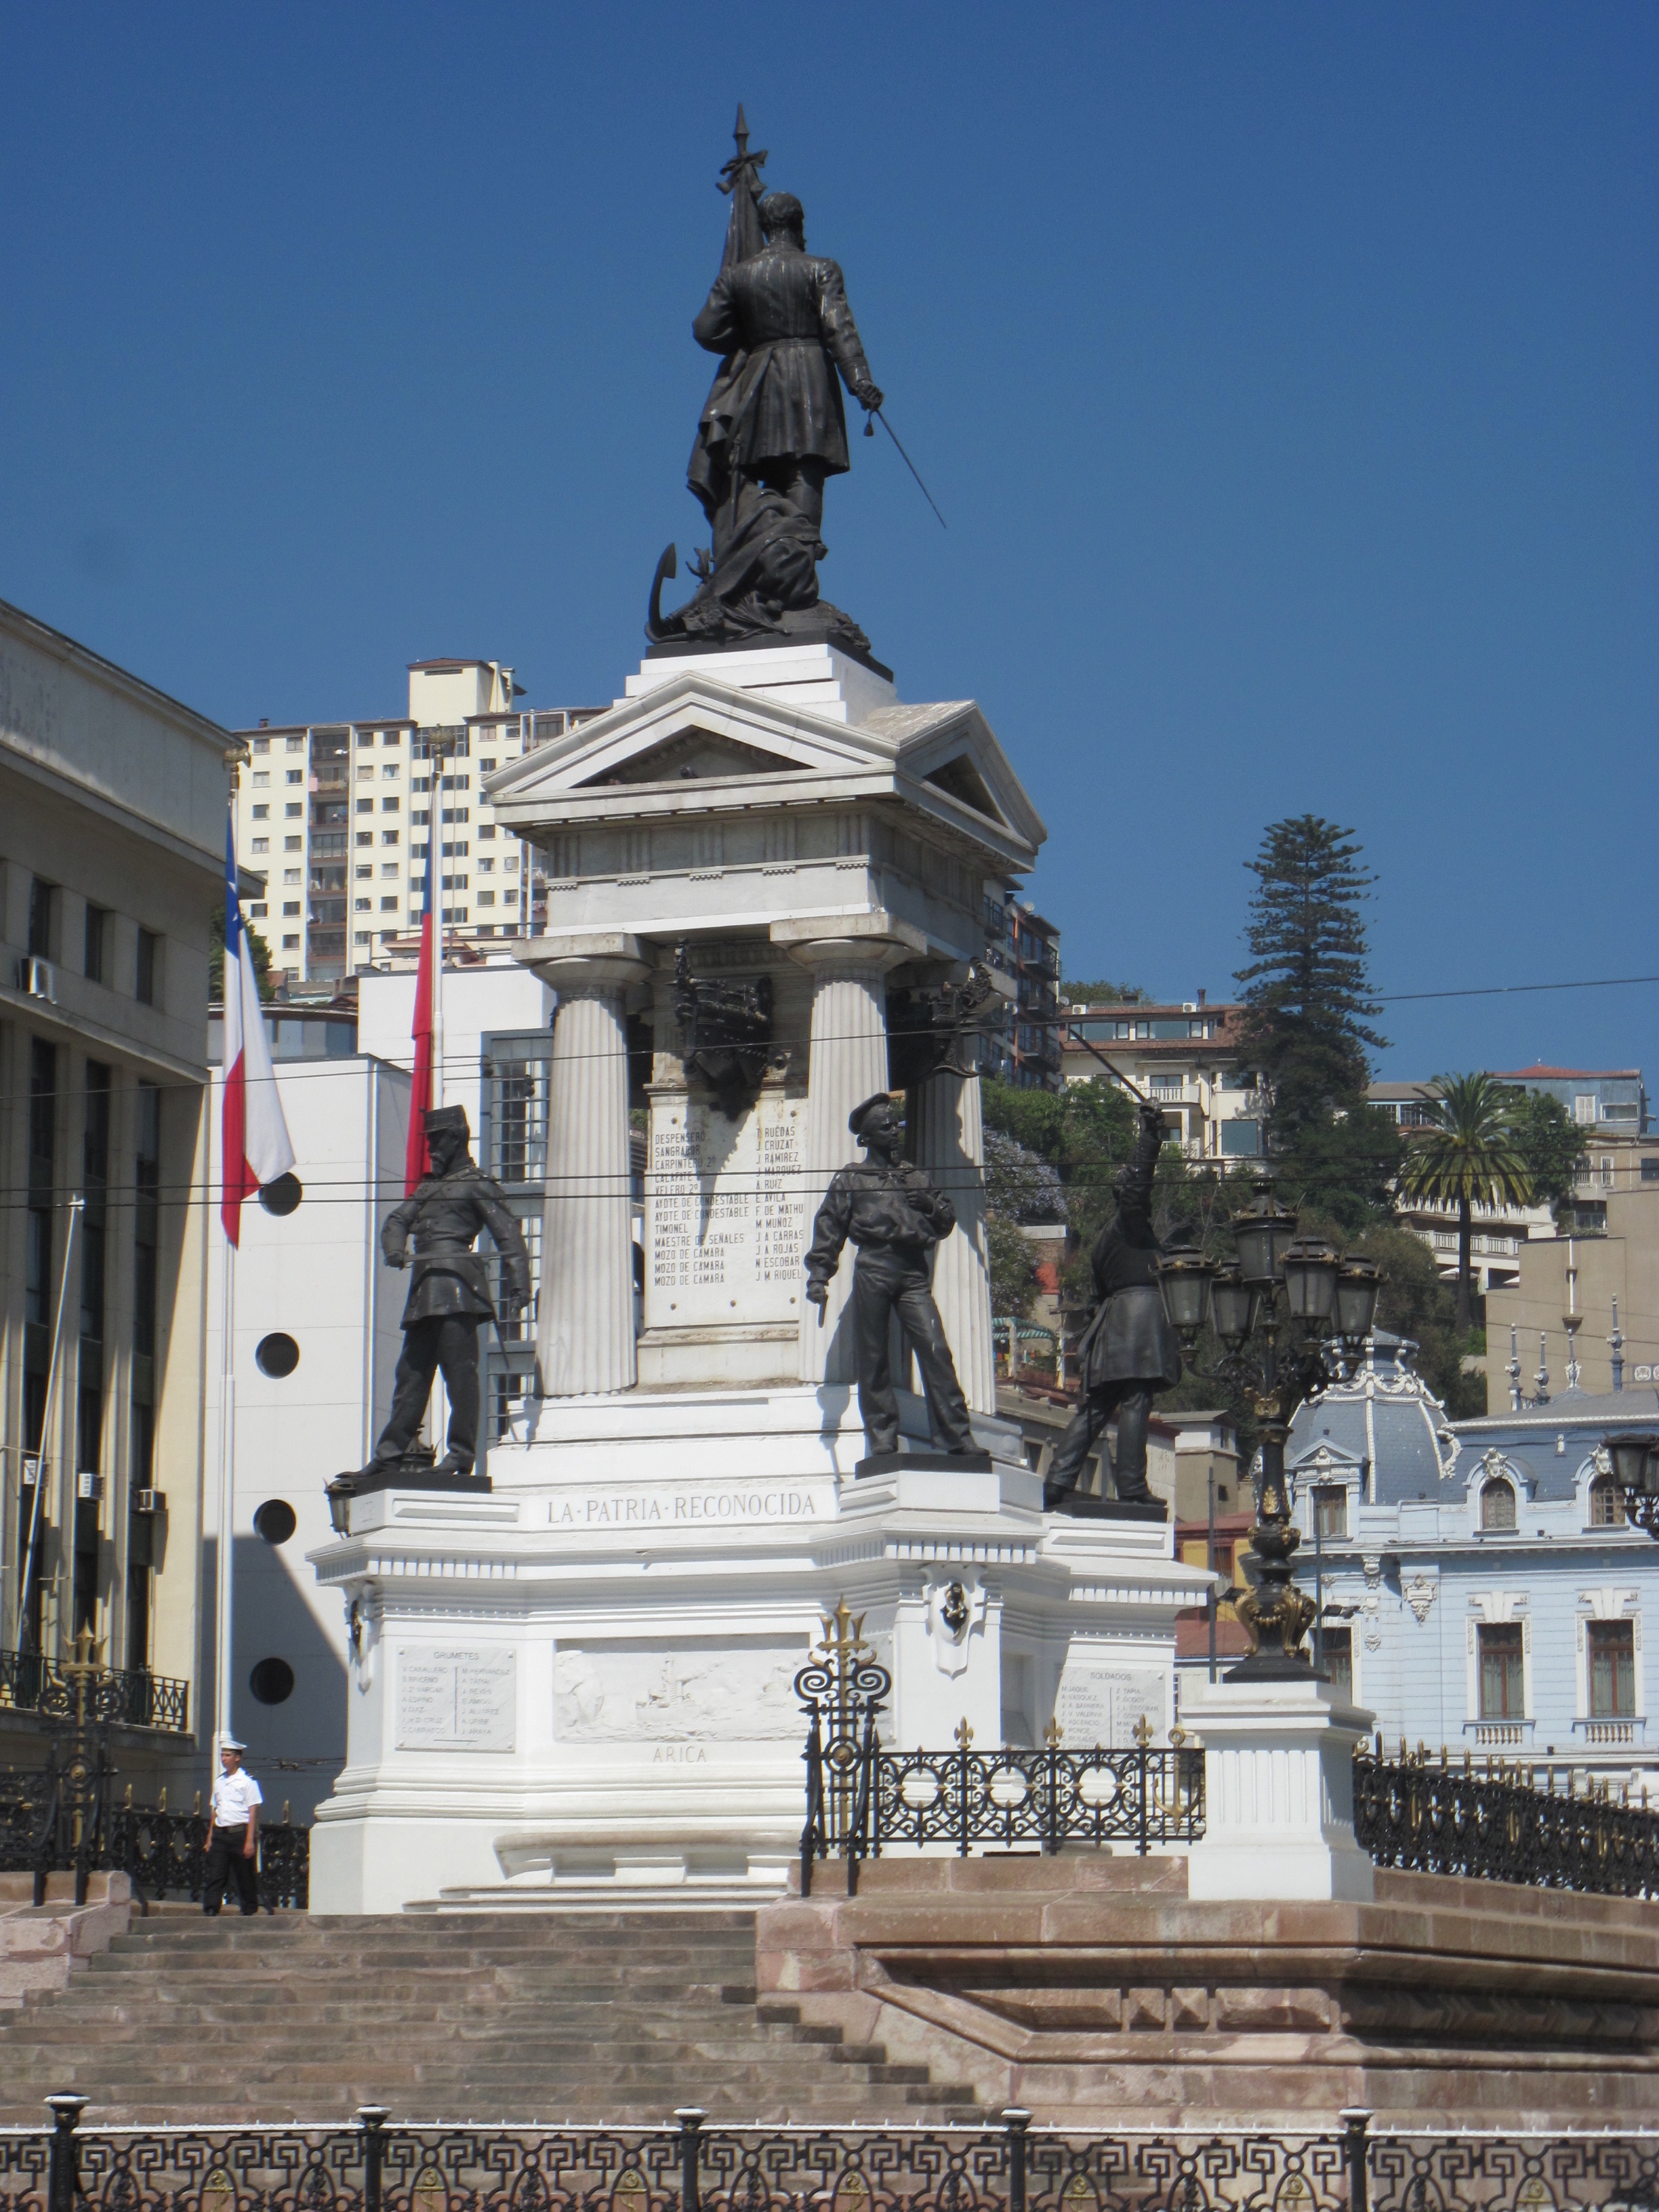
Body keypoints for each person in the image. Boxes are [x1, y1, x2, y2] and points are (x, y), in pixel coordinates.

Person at [686, 191, 884, 618]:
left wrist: (743, 332)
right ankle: (793, 582)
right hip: (809, 377)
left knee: (755, 482)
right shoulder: (820, 269)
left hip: (756, 382)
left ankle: (756, 571)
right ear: (799, 225)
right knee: (804, 476)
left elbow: (705, 330)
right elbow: (839, 330)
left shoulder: (739, 275)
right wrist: (861, 381)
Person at [804, 1093, 977, 1460]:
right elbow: (829, 1228)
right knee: (874, 1356)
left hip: (913, 1271)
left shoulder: (914, 1176)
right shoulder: (851, 1179)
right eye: (886, 1127)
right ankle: (882, 1438)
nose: (895, 1132)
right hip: (874, 1267)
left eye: (896, 1125)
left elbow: (945, 1221)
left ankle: (956, 1437)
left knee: (936, 1350)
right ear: (866, 1138)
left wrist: (927, 1204)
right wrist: (819, 1276)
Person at [363, 1105, 531, 1478]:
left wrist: (520, 1285)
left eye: (437, 1141)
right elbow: (396, 1220)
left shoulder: (478, 1183)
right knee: (410, 1375)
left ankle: (460, 1455)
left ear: (457, 1138)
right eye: (430, 1142)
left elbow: (508, 1234)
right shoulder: (428, 1188)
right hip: (424, 1290)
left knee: (460, 1374)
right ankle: (389, 1455)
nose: (432, 1149)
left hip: (458, 1288)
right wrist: (394, 1248)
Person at [1044, 1103, 1182, 1513]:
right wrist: (1150, 1139)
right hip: (1135, 1325)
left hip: (1112, 1327)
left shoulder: (1110, 1241)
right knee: (1137, 1398)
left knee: (1101, 1406)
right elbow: (1140, 1186)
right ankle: (1131, 1485)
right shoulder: (1127, 1226)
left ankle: (1059, 1478)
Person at [203, 1739, 262, 1917]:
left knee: (244, 1875)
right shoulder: (220, 1782)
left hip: (239, 1834)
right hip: (221, 1834)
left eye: (228, 1755)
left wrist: (249, 1841)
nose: (224, 1759)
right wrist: (209, 1838)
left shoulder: (247, 1782)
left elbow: (252, 1813)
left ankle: (249, 1908)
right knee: (216, 1874)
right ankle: (211, 1908)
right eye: (222, 1755)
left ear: (237, 1758)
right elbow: (215, 1811)